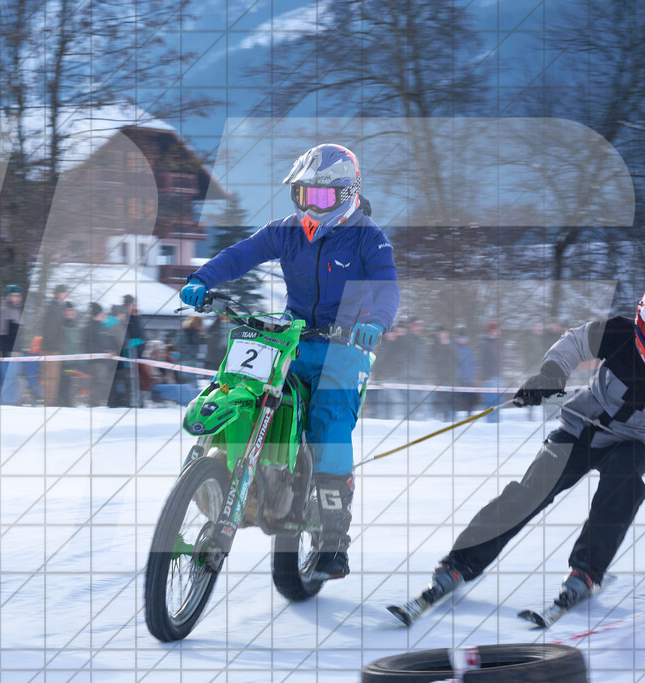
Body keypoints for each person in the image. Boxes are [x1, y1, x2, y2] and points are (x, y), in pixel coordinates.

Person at [180, 143, 399, 580]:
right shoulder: (285, 231)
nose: (311, 207)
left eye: (321, 197)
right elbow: (241, 254)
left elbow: (386, 285)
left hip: (345, 347)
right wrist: (202, 279)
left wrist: (375, 321)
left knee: (327, 426)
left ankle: (334, 541)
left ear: (347, 195)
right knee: (253, 392)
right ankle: (228, 471)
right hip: (294, 339)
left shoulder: (368, 237)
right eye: (302, 195)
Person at [408, 301, 645, 616]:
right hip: (585, 426)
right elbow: (574, 341)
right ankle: (460, 562)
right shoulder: (619, 332)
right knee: (534, 491)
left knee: (623, 486)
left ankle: (586, 572)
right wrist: (551, 373)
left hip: (634, 443)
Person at [40, 284, 69, 406]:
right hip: (51, 348)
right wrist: (54, 345)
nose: (66, 295)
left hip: (55, 347)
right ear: (58, 293)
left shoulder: (58, 307)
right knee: (51, 378)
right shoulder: (53, 307)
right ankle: (49, 402)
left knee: (54, 378)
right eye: (64, 292)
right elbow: (50, 328)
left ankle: (51, 402)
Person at [0, 284, 23, 405]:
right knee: (8, 380)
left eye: (18, 295)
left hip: (15, 352)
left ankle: (13, 403)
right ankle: (7, 404)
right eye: (13, 295)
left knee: (13, 380)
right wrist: (9, 351)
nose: (16, 298)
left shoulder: (16, 310)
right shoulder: (5, 310)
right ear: (8, 297)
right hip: (8, 353)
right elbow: (4, 334)